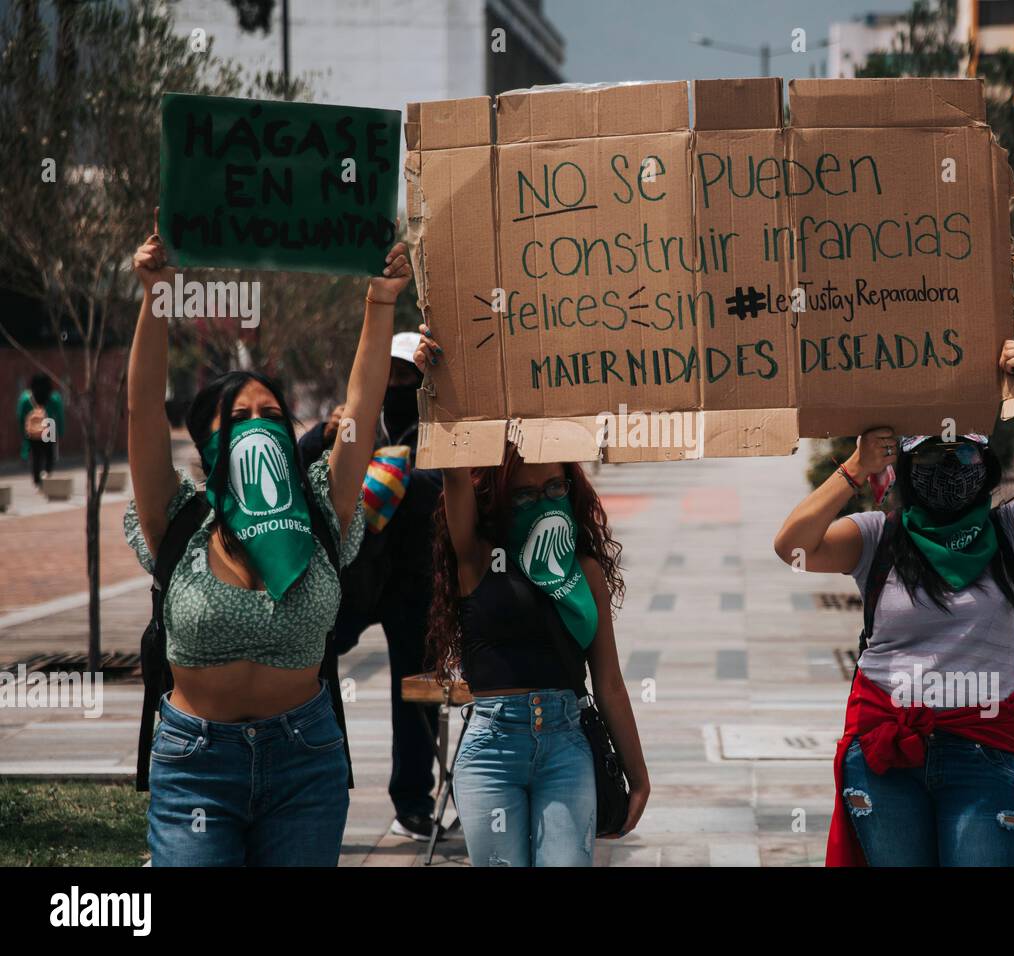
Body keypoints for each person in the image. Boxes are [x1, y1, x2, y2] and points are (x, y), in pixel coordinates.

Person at [123, 214, 412, 866]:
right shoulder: (180, 521)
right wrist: (156, 296)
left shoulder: (319, 510)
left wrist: (380, 301)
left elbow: (359, 416)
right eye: (240, 417)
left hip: (304, 761)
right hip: (196, 764)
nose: (259, 427)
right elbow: (142, 411)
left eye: (271, 415)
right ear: (208, 442)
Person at [773, 340, 1014, 867]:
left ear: (985, 464)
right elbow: (792, 546)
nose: (948, 469)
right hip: (886, 750)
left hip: (983, 747)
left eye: (963, 454)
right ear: (906, 469)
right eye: (929, 457)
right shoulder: (877, 536)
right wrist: (855, 467)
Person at [414, 326, 650, 867]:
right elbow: (452, 469)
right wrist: (437, 382)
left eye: (554, 490)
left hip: (568, 744)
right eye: (523, 494)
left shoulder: (585, 571)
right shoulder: (477, 556)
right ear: (498, 499)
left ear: (573, 490)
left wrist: (638, 777)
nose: (542, 502)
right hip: (492, 749)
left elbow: (609, 682)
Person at [298, 332, 444, 841]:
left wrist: (398, 471)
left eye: (408, 376)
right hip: (352, 581)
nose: (398, 384)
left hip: (415, 586)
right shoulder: (356, 422)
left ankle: (413, 803)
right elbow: (307, 467)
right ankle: (316, 788)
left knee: (416, 696)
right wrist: (325, 435)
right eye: (390, 375)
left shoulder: (441, 426)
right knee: (313, 669)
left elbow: (447, 490)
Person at [18, 373, 63, 487]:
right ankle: (47, 474)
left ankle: (37, 480)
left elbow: (20, 416)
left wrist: (24, 431)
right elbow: (60, 415)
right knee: (49, 454)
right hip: (49, 427)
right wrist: (61, 431)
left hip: (34, 429)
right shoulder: (53, 397)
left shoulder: (26, 398)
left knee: (36, 455)